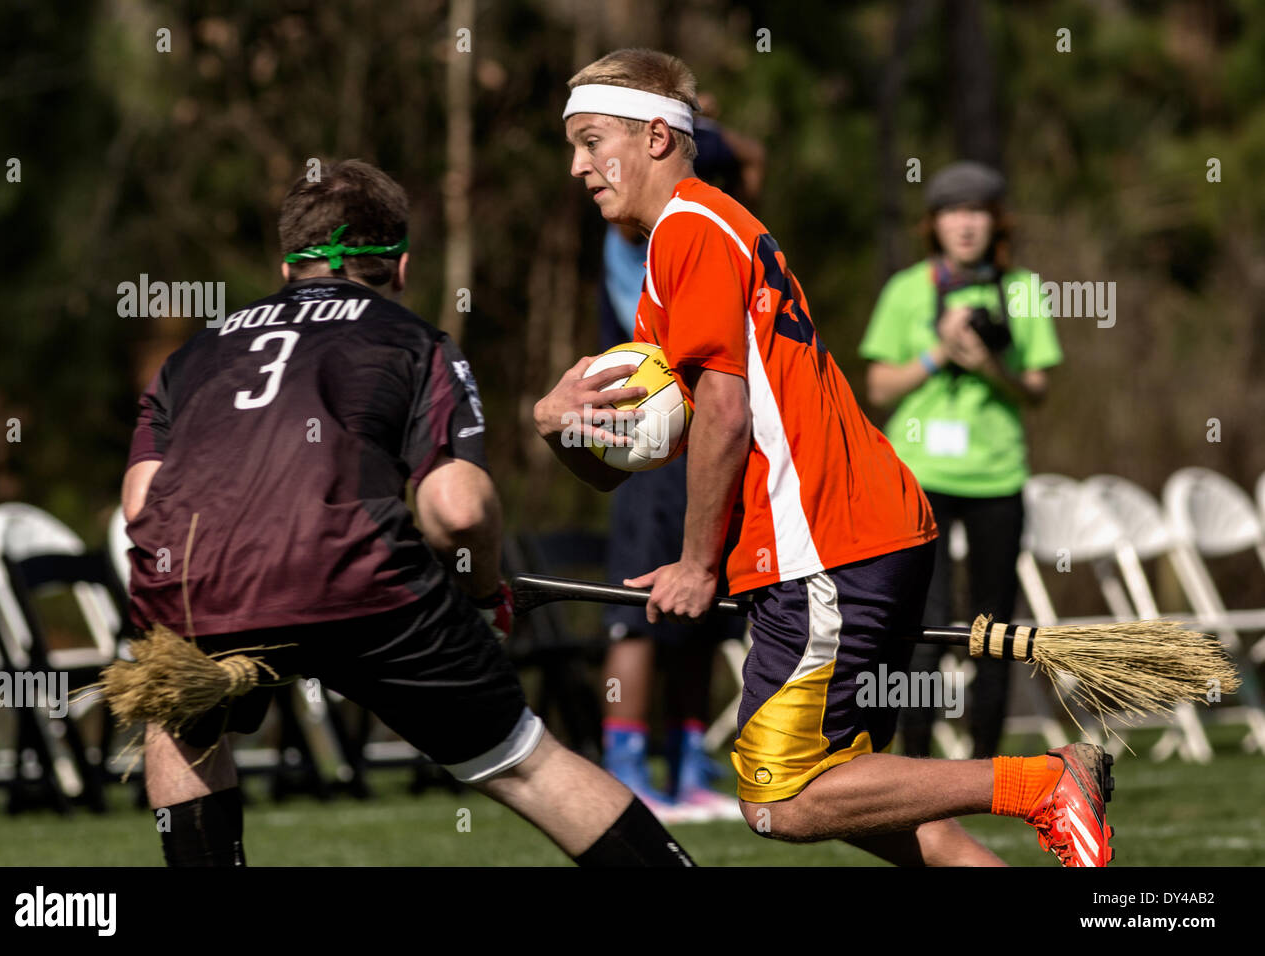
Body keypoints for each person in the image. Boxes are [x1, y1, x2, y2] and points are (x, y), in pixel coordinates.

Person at [534, 48, 1112, 866]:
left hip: (826, 541)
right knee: (874, 804)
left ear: (658, 137)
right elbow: (644, 450)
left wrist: (698, 564)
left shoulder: (692, 231)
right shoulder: (695, 241)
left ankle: (1043, 781)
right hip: (858, 532)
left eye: (593, 141)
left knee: (783, 800)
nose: (578, 165)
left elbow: (726, 415)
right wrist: (556, 424)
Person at [122, 159, 694, 867]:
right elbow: (455, 509)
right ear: (400, 267)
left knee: (184, 724)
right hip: (359, 582)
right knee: (525, 762)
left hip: (193, 585)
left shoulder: (193, 355)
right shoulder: (414, 341)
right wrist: (483, 592)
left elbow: (143, 504)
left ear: (285, 265)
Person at [859, 161, 1062, 759]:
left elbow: (1037, 390)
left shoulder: (1022, 288)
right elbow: (878, 389)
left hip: (997, 474)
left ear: (995, 223)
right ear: (934, 224)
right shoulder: (906, 289)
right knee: (925, 623)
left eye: (977, 212)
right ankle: (916, 761)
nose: (965, 225)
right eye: (952, 212)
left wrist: (988, 367)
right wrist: (937, 352)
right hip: (920, 475)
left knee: (995, 627)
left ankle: (990, 766)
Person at [597, 107, 762, 822]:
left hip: (706, 445)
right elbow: (740, 153)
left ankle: (690, 761)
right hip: (649, 443)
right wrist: (703, 127)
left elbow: (749, 164)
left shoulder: (707, 226)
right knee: (639, 612)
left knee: (706, 608)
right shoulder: (631, 226)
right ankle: (626, 763)